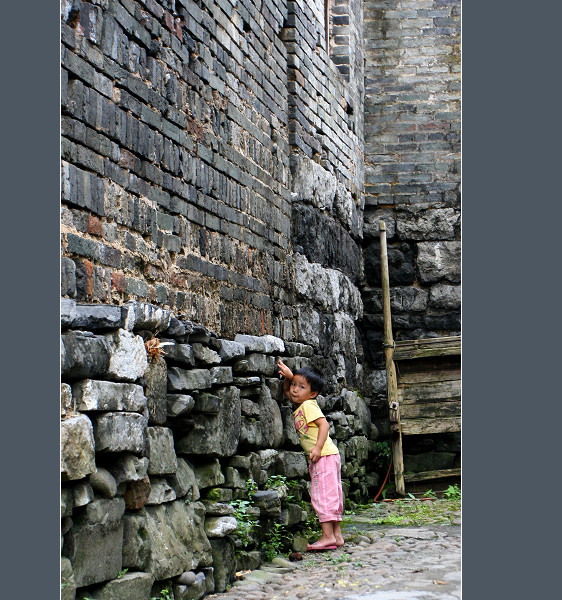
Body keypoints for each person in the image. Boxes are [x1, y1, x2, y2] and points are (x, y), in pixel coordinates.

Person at [277, 358, 344, 551]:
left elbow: (324, 425)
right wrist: (290, 378)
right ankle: (336, 536)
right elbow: (287, 391)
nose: (294, 390)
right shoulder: (301, 404)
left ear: (313, 393)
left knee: (322, 495)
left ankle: (327, 536)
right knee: (331, 495)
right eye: (294, 385)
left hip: (323, 456)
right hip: (328, 456)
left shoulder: (308, 406)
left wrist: (317, 448)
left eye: (301, 387)